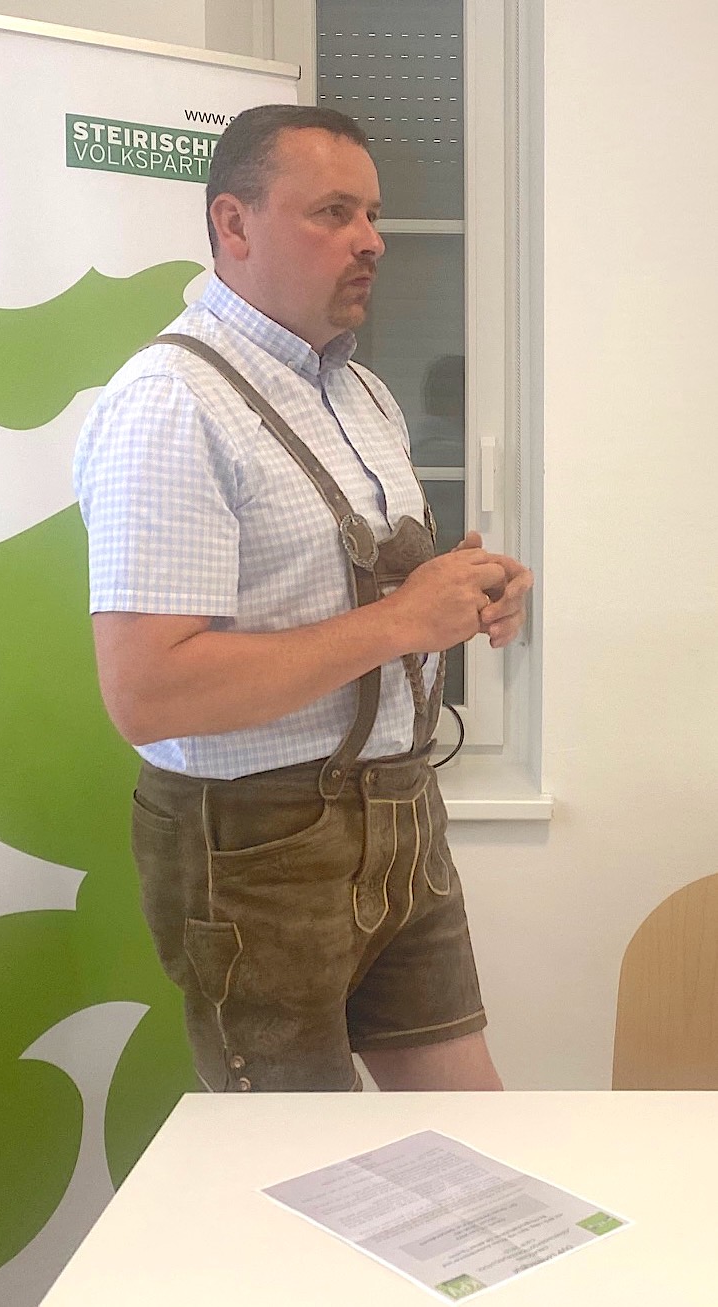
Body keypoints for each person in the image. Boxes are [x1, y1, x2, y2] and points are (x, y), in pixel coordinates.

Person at [73, 105, 532, 1094]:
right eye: (333, 212)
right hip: (255, 844)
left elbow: (357, 595)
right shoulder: (171, 404)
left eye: (372, 214)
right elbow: (148, 694)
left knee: (471, 1133)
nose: (370, 240)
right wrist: (401, 621)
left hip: (400, 810)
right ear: (232, 224)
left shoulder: (362, 396)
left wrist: (466, 589)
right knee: (297, 1161)